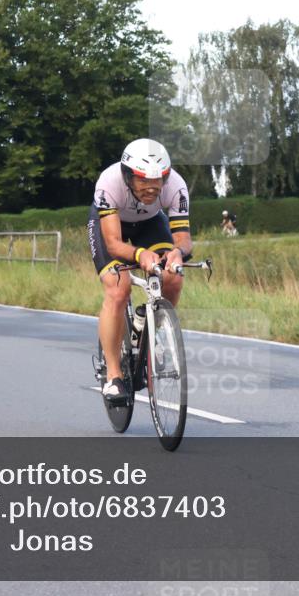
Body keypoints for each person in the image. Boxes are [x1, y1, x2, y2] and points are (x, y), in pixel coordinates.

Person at [87, 138, 193, 403]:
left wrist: (177, 252)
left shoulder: (176, 185)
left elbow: (183, 238)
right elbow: (113, 244)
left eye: (158, 180)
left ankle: (150, 331)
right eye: (143, 180)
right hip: (111, 225)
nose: (152, 188)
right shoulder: (109, 182)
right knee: (118, 288)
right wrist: (139, 255)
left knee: (172, 276)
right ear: (128, 176)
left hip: (150, 223)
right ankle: (113, 376)